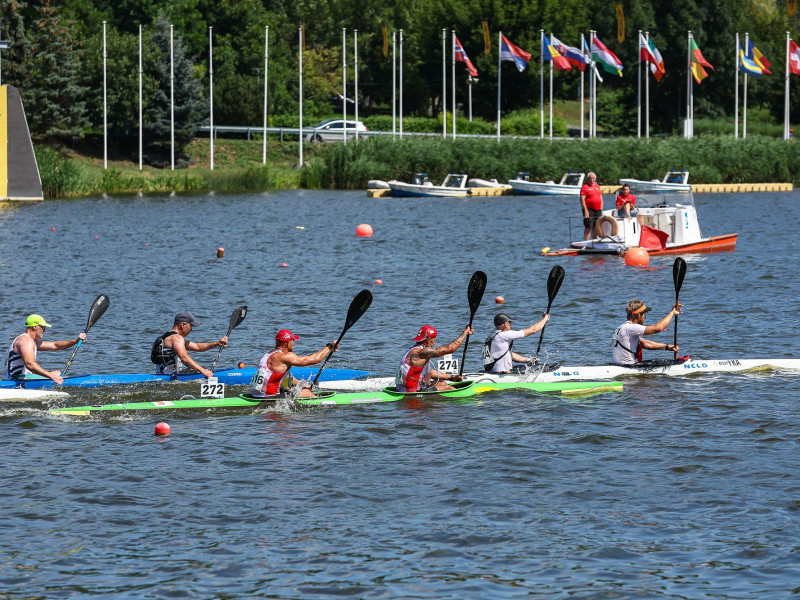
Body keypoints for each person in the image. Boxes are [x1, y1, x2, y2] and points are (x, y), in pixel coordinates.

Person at [250, 329, 338, 399]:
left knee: (296, 389)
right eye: (293, 340)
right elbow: (315, 359)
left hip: (256, 395)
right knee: (306, 393)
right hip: (268, 397)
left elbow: (287, 377)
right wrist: (330, 346)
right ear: (288, 343)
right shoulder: (284, 357)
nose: (294, 343)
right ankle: (322, 404)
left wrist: (302, 385)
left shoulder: (268, 355)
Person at [5, 314, 87, 385]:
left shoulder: (31, 341)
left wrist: (75, 341)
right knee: (56, 374)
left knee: (57, 373)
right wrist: (52, 377)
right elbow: (29, 364)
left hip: (22, 378)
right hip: (18, 380)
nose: (44, 330)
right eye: (43, 327)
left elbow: (55, 345)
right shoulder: (26, 341)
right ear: (35, 327)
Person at [396, 324, 474, 392]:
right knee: (446, 387)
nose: (435, 343)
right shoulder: (419, 353)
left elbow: (430, 373)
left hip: (404, 388)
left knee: (441, 383)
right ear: (429, 340)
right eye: (434, 340)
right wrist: (465, 333)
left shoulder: (413, 350)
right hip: (409, 392)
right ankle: (460, 398)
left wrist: (451, 377)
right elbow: (450, 348)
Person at [150, 311, 228, 378]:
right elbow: (184, 357)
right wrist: (203, 371)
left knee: (198, 369)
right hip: (171, 377)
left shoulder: (167, 336)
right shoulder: (177, 338)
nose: (191, 329)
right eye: (191, 326)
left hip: (162, 375)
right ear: (183, 325)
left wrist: (216, 343)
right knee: (202, 370)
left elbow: (197, 347)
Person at [611, 300, 682, 366]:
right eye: (644, 314)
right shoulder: (631, 328)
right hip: (628, 367)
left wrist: (667, 347)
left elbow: (645, 344)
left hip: (619, 365)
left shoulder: (623, 327)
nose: (645, 317)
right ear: (639, 315)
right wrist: (672, 313)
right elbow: (658, 328)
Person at [483, 312, 550, 373]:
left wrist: (529, 360)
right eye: (510, 323)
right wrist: (545, 319)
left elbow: (509, 355)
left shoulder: (491, 336)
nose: (510, 325)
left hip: (492, 372)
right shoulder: (504, 335)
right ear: (506, 324)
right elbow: (533, 330)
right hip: (503, 374)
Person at [580, 171, 603, 240]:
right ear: (588, 179)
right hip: (589, 209)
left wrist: (601, 208)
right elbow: (582, 199)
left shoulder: (597, 186)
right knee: (588, 226)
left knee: (596, 226)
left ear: (595, 179)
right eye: (590, 178)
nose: (592, 180)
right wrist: (586, 210)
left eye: (593, 178)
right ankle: (587, 243)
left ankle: (594, 241)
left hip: (598, 209)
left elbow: (601, 197)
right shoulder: (585, 187)